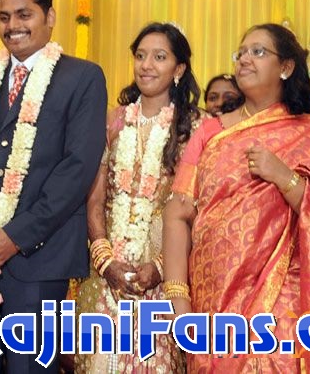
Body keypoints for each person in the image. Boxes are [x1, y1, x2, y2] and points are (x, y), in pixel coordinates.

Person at [163, 23, 310, 373]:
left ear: (286, 67)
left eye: (258, 52)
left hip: (284, 300)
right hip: (214, 299)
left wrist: (284, 177)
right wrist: (178, 298)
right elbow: (178, 211)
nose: (244, 59)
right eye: (241, 52)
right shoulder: (212, 130)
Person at [0, 0, 107, 373]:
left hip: (40, 261)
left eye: (24, 15)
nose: (12, 25)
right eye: (4, 17)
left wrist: (16, 237)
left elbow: (77, 168)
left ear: (49, 17)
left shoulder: (82, 77)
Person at [74, 22, 203, 373]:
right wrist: (106, 262)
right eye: (141, 56)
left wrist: (159, 268)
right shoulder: (112, 121)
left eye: (159, 57)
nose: (146, 65)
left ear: (178, 69)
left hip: (164, 278)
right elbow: (94, 198)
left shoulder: (196, 128)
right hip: (108, 276)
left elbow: (197, 209)